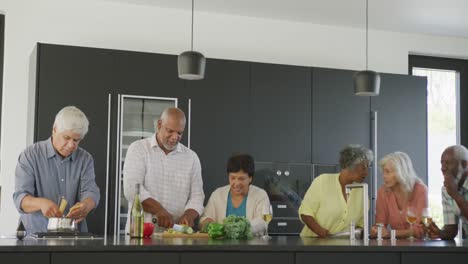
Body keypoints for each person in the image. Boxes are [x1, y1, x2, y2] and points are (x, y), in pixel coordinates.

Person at [13, 106, 100, 234]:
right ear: (54, 129)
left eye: (76, 140)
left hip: (74, 238)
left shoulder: (85, 159)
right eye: (66, 137)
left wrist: (87, 205)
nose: (71, 145)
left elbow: (91, 191)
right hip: (34, 237)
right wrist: (41, 203)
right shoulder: (30, 155)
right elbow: (20, 199)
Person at [123, 107, 204, 231]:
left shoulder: (191, 158)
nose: (174, 137)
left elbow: (197, 196)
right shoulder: (138, 149)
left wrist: (189, 215)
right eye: (170, 131)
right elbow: (132, 189)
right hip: (140, 233)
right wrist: (159, 211)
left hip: (176, 234)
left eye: (179, 133)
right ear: (159, 124)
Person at [298, 144, 373, 237]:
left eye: (367, 167)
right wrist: (319, 231)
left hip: (344, 248)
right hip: (313, 244)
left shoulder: (362, 191)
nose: (366, 173)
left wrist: (360, 232)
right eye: (363, 167)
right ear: (350, 165)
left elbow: (361, 225)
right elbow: (305, 213)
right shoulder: (322, 181)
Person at [199, 154, 270, 235]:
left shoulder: (260, 195)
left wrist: (241, 227)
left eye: (241, 179)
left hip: (251, 245)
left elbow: (262, 222)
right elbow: (203, 219)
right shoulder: (217, 194)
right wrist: (207, 222)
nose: (236, 183)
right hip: (220, 246)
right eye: (233, 178)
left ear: (250, 178)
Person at [370, 152, 427, 239]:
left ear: (401, 172)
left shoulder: (420, 190)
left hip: (417, 247)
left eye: (388, 172)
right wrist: (376, 230)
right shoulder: (383, 191)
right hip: (394, 247)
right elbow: (380, 223)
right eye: (383, 172)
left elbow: (420, 230)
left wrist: (390, 234)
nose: (384, 176)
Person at [428, 145, 468, 240]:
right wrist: (439, 233)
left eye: (448, 163)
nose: (443, 168)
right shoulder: (447, 189)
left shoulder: (451, 190)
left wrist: (455, 194)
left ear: (464, 164)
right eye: (442, 163)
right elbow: (451, 230)